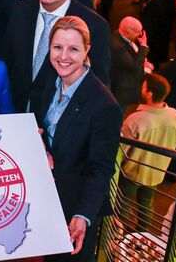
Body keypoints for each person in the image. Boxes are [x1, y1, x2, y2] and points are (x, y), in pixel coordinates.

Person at [30, 16, 122, 261]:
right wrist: (38, 141)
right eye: (57, 47)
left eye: (73, 49)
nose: (63, 56)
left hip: (75, 206)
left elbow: (101, 169)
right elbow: (44, 126)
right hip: (47, 195)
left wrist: (82, 216)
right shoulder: (50, 80)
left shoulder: (105, 106)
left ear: (86, 51)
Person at [4, 0, 111, 113]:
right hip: (16, 114)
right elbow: (9, 62)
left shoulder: (95, 26)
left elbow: (98, 90)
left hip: (60, 124)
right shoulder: (19, 10)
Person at [118, 73, 176, 232]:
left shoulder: (135, 120)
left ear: (149, 94)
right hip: (157, 173)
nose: (141, 88)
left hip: (132, 173)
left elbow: (121, 150)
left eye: (143, 86)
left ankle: (118, 236)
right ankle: (142, 234)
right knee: (146, 205)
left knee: (123, 205)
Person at [110, 17, 150, 111]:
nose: (140, 35)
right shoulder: (117, 46)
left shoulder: (123, 37)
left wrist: (144, 62)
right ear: (127, 32)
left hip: (131, 83)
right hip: (124, 90)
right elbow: (134, 66)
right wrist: (143, 46)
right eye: (137, 32)